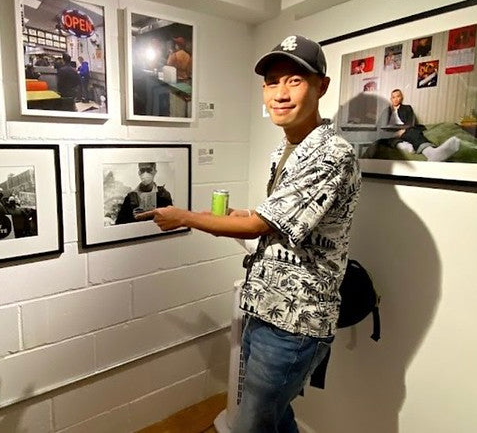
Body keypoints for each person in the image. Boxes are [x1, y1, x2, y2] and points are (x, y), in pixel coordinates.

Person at [140, 35, 361, 433]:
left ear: (321, 86)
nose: (280, 93)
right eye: (272, 82)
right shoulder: (287, 148)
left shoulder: (332, 153)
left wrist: (186, 217)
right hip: (265, 306)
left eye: (294, 81)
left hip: (295, 321)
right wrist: (242, 214)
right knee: (275, 416)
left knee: (252, 424)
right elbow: (275, 220)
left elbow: (260, 226)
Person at [378, 88, 460, 161]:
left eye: (398, 96)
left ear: (401, 98)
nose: (395, 99)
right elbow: (381, 126)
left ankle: (431, 153)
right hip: (391, 132)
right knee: (382, 137)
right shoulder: (386, 111)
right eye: (393, 97)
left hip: (405, 129)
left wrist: (403, 130)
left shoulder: (407, 108)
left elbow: (411, 122)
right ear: (391, 99)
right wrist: (394, 133)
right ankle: (402, 144)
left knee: (412, 131)